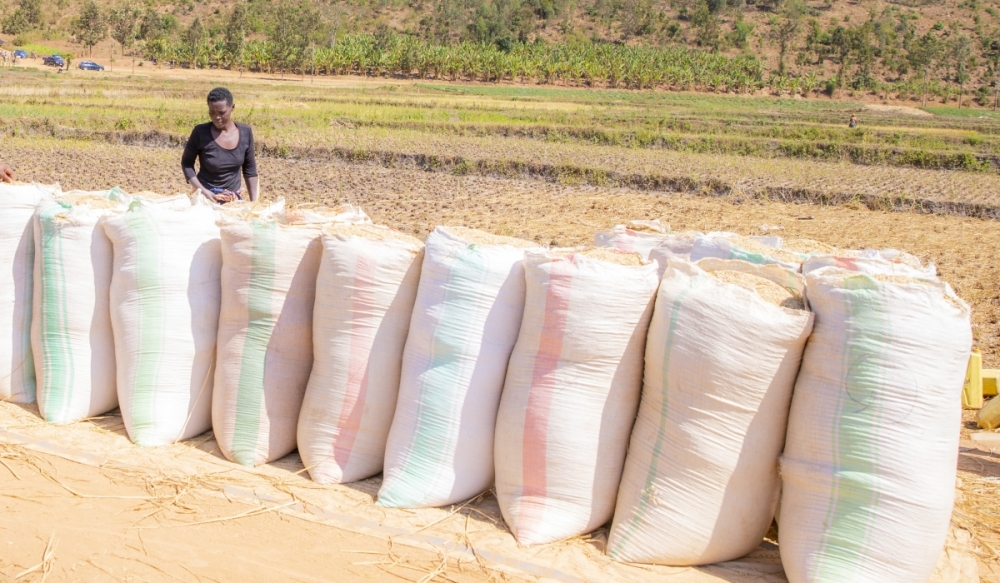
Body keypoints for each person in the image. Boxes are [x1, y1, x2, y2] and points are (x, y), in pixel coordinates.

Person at [181, 87, 259, 203]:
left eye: (222, 113)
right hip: (205, 198)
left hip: (232, 199)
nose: (216, 117)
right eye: (212, 112)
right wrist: (202, 191)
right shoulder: (200, 133)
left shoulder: (245, 132)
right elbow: (187, 164)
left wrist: (254, 203)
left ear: (232, 108)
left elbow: (250, 171)